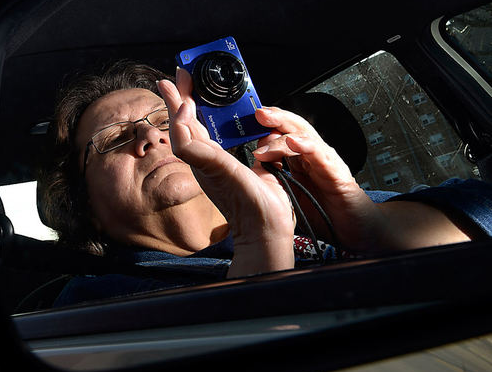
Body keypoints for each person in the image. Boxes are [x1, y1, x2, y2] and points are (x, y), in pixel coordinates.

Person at [39, 62, 492, 305]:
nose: (152, 136)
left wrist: (375, 228)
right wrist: (262, 244)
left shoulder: (310, 209)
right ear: (84, 203)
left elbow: (482, 209)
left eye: (165, 120)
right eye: (116, 138)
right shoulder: (92, 301)